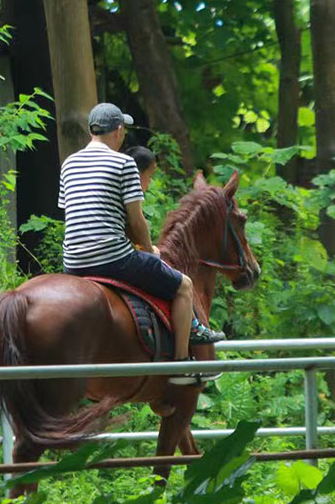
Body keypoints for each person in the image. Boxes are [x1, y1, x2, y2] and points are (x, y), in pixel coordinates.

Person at [58, 103, 224, 360]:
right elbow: (135, 221)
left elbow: (74, 213)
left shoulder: (69, 164)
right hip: (112, 259)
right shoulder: (124, 163)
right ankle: (181, 364)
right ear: (118, 130)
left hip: (73, 262)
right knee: (183, 285)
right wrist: (149, 250)